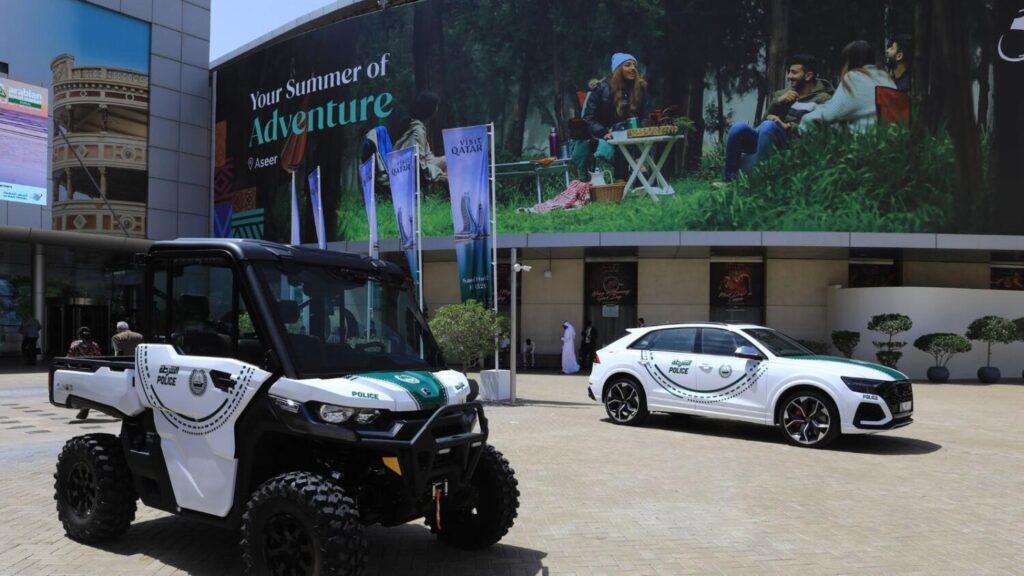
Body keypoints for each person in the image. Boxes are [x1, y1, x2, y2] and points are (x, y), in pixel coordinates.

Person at [722, 54, 833, 182]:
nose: (789, 76)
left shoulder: (823, 99)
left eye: (794, 72)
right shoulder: (783, 94)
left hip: (792, 142)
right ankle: (729, 180)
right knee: (738, 128)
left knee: (768, 126)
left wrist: (788, 126)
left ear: (808, 76)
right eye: (789, 72)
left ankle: (759, 181)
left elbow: (819, 131)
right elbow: (764, 121)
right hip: (767, 136)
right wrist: (777, 103)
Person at [800, 41, 896, 132]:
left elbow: (830, 114)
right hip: (887, 136)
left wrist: (805, 119)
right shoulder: (885, 76)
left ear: (849, 61)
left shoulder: (854, 76)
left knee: (809, 121)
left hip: (863, 139)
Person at [583, 52, 650, 179]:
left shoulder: (640, 88)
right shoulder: (601, 88)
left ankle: (639, 178)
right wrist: (604, 132)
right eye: (628, 65)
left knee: (633, 139)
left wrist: (642, 129)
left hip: (633, 134)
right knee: (620, 139)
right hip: (608, 133)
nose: (633, 68)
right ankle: (628, 179)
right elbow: (588, 118)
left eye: (635, 65)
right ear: (618, 69)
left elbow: (645, 115)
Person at [394, 91, 447, 182]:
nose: (437, 108)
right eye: (436, 105)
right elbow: (418, 163)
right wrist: (440, 175)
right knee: (450, 163)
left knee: (451, 159)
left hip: (422, 165)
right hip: (410, 174)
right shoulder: (417, 130)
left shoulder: (417, 125)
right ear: (430, 109)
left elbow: (428, 158)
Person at [67, 327, 102, 420]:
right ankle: (85, 408)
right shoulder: (94, 344)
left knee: (80, 389)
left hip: (80, 370)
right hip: (91, 369)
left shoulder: (75, 344)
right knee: (89, 389)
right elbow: (99, 356)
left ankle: (84, 408)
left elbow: (70, 356)